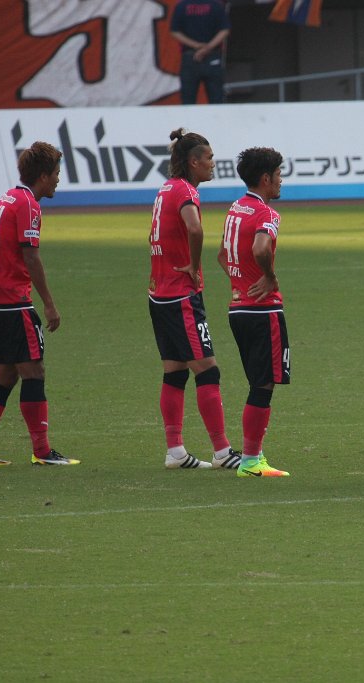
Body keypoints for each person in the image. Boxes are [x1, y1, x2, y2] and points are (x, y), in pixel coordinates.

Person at [0, 141, 79, 466]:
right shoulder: (28, 205)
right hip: (12, 301)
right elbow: (31, 256)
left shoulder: (8, 198)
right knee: (33, 371)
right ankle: (42, 451)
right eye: (56, 173)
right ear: (43, 176)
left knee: (5, 375)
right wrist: (49, 304)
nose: (58, 179)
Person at [149, 129, 240, 471]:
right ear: (193, 161)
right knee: (208, 369)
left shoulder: (166, 188)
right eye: (209, 158)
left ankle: (175, 451)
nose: (213, 163)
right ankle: (222, 451)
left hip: (160, 293)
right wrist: (193, 263)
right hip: (180, 294)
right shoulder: (186, 192)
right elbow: (195, 228)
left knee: (174, 371)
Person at [220, 147, 291, 478]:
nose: (281, 180)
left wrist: (241, 283)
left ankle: (253, 457)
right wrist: (269, 277)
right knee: (263, 385)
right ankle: (250, 460)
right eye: (278, 174)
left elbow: (222, 256)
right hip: (262, 310)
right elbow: (261, 247)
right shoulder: (267, 214)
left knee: (257, 383)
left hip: (238, 308)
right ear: (265, 178)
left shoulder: (235, 209)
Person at [170, 0, 231, 105]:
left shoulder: (182, 6)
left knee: (188, 101)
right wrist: (208, 47)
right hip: (212, 55)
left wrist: (196, 45)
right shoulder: (216, 5)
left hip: (190, 56)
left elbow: (174, 31)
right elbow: (225, 30)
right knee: (217, 100)